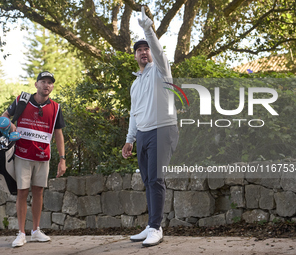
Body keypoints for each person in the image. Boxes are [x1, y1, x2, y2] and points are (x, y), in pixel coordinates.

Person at [122, 6, 178, 247]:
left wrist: (148, 29)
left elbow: (159, 50)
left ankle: (156, 227)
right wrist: (130, 139)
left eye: (146, 49)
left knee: (155, 178)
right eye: (139, 50)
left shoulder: (160, 71)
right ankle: (152, 224)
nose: (144, 52)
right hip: (143, 133)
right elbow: (134, 113)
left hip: (162, 129)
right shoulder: (135, 84)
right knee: (148, 179)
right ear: (134, 56)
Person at [2, 71, 66, 248]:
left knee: (39, 192)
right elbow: (3, 117)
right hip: (22, 154)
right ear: (36, 84)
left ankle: (36, 231)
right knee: (22, 192)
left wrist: (62, 159)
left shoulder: (56, 107)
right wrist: (10, 125)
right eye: (43, 82)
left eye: (50, 83)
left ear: (52, 87)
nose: (46, 85)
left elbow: (58, 134)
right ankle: (21, 233)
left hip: (43, 156)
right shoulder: (21, 100)